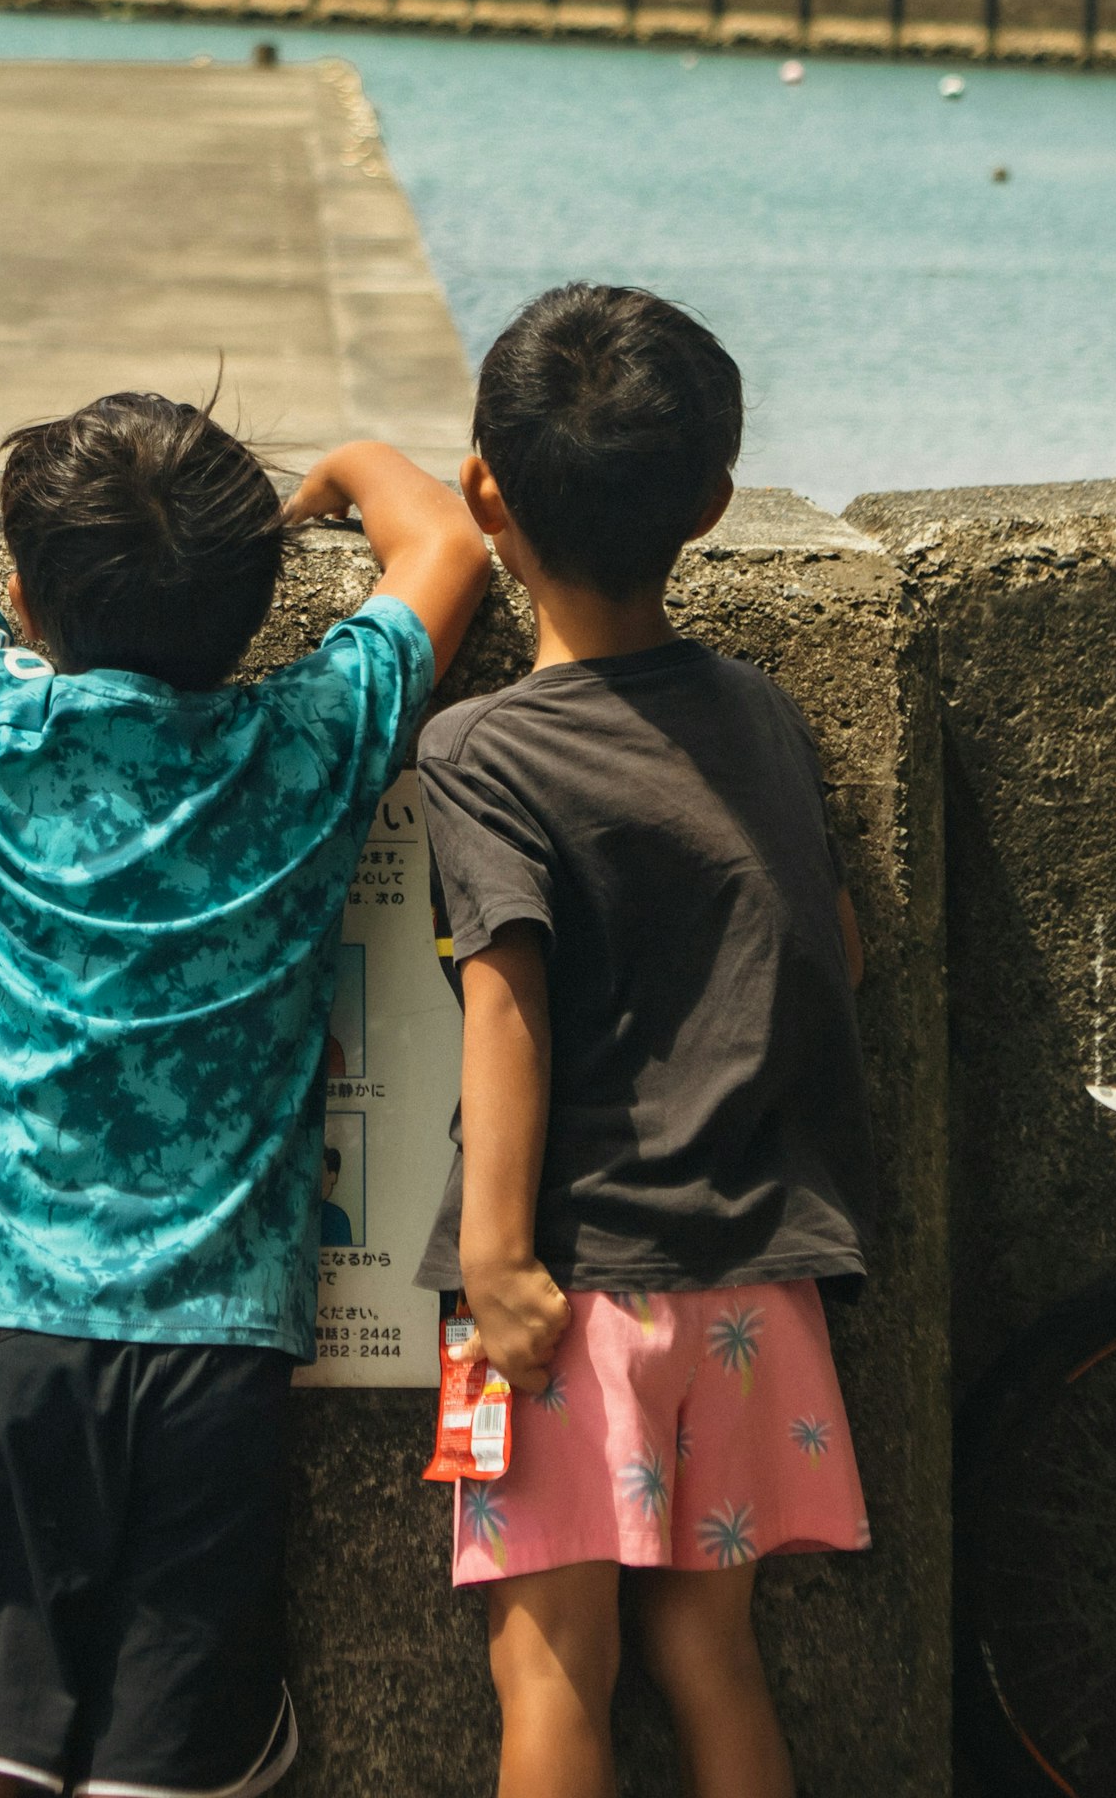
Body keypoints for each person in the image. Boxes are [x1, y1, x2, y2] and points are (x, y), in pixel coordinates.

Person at [0, 362, 490, 1798]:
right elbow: (447, 551)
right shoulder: (312, 741)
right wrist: (358, 459)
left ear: (36, 610)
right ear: (248, 605)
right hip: (219, 1343)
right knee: (167, 1770)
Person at [417, 285, 876, 1798]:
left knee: (552, 1668)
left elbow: (509, 1004)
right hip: (754, 1281)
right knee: (712, 1654)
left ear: (485, 489)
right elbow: (835, 953)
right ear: (713, 503)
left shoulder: (482, 750)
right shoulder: (761, 714)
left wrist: (494, 1266)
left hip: (573, 1293)